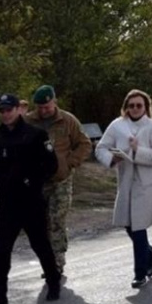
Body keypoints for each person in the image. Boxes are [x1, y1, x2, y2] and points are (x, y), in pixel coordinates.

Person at [0, 93, 62, 304]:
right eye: (2, 111)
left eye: (9, 109)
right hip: (8, 203)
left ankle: (53, 282)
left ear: (18, 109)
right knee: (1, 250)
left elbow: (51, 165)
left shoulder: (36, 134)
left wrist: (32, 181)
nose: (5, 114)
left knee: (40, 244)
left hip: (31, 201)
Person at [95, 89, 152, 288]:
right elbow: (100, 148)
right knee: (129, 225)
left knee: (138, 228)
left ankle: (140, 273)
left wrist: (138, 151)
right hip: (126, 182)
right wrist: (112, 159)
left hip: (147, 184)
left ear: (145, 107)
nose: (135, 109)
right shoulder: (117, 126)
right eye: (131, 105)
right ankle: (149, 253)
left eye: (139, 105)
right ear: (126, 107)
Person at [24, 85, 92, 276]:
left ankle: (57, 263)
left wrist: (70, 162)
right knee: (41, 222)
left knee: (56, 220)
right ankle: (47, 261)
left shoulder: (67, 120)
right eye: (40, 107)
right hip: (38, 181)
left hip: (61, 180)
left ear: (54, 102)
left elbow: (85, 144)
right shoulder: (29, 121)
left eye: (47, 106)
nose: (44, 110)